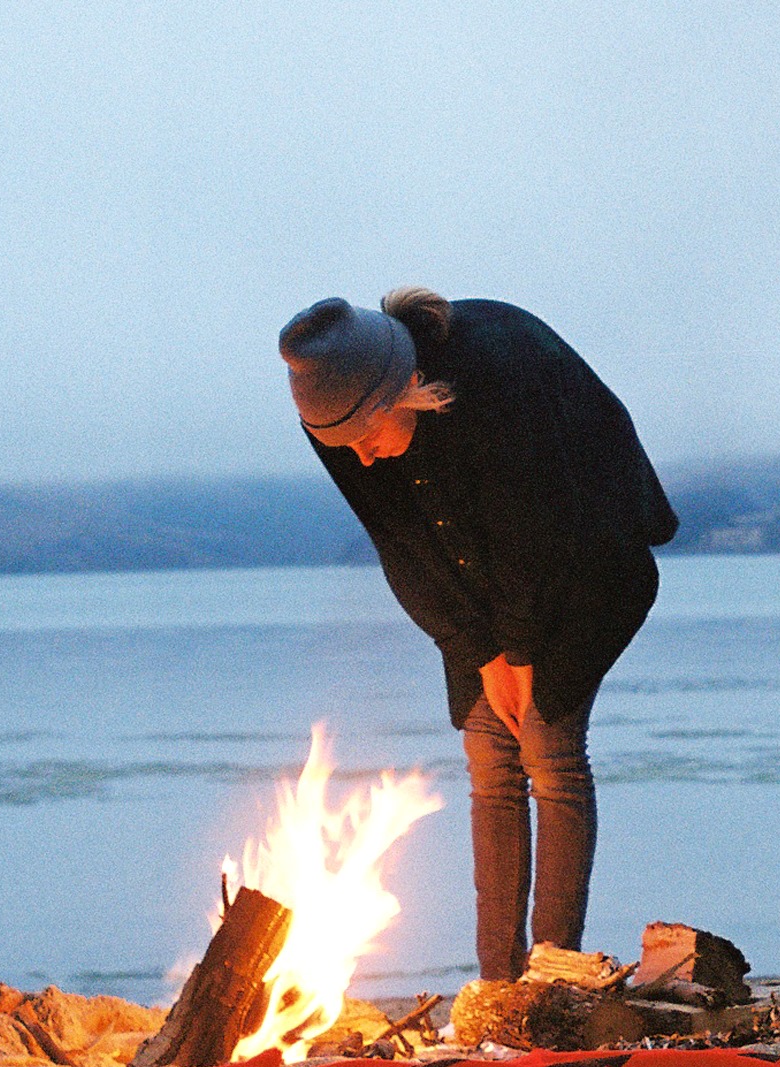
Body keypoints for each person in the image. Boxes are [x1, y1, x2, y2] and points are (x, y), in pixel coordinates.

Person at [279, 288, 677, 981]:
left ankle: (553, 978)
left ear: (408, 391)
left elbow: (535, 530)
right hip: (476, 569)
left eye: (370, 439)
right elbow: (398, 541)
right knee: (488, 755)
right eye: (347, 447)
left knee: (548, 746)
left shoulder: (496, 374)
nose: (364, 460)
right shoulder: (332, 403)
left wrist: (518, 654)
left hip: (590, 551)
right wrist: (475, 650)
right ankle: (497, 981)